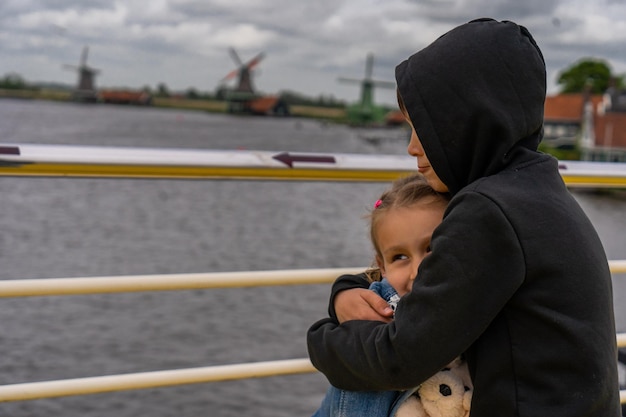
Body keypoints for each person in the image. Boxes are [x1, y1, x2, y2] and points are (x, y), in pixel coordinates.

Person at [307, 18, 621, 417]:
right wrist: (345, 291)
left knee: (363, 387)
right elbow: (439, 286)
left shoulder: (489, 210)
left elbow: (400, 358)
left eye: (423, 128)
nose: (411, 148)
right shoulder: (540, 193)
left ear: (468, 119)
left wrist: (321, 338)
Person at [313, 173, 471, 417]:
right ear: (382, 266)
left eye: (432, 249)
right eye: (400, 257)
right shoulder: (377, 313)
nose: (418, 270)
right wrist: (342, 295)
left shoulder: (483, 301)